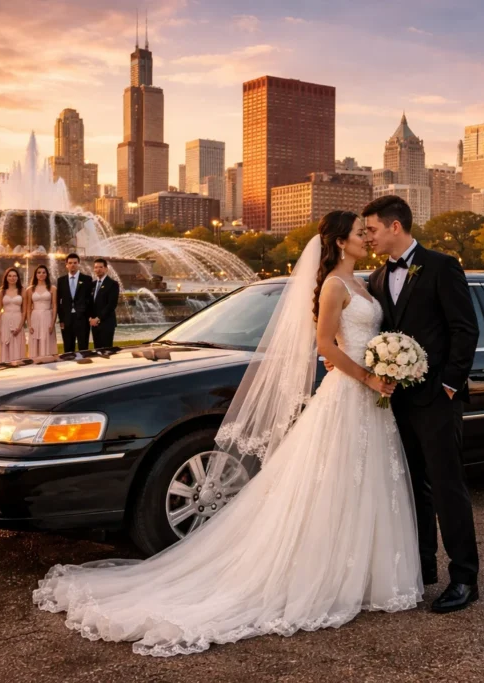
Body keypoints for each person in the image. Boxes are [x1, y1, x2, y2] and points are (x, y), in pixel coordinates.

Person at [34, 211, 422, 656]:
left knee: (367, 484)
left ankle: (368, 576)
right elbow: (324, 345)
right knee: (331, 484)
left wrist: (387, 365)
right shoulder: (335, 286)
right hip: (348, 395)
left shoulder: (365, 285)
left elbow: (364, 337)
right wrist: (369, 376)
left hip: (371, 402)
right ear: (338, 242)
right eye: (359, 233)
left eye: (367, 232)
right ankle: (324, 574)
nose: (366, 238)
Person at [362, 194, 480, 613]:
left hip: (437, 400)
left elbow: (465, 330)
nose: (368, 237)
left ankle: (465, 578)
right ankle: (423, 567)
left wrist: (449, 385)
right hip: (395, 403)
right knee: (412, 489)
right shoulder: (375, 279)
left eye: (372, 229)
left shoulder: (443, 266)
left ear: (396, 227)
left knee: (448, 488)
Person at [56, 253, 92, 352]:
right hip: (67, 319)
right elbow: (58, 301)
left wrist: (88, 316)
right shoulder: (61, 281)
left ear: (79, 264)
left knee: (83, 348)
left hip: (82, 319)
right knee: (68, 348)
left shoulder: (87, 279)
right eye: (70, 263)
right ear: (66, 264)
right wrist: (61, 319)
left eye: (75, 263)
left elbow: (90, 300)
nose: (73, 265)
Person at [26, 265, 57, 356]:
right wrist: (29, 324)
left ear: (47, 274)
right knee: (35, 339)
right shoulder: (30, 289)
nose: (41, 274)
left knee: (46, 338)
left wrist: (52, 322)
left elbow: (54, 306)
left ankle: (47, 360)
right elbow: (28, 308)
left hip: (47, 315)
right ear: (35, 274)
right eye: (39, 272)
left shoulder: (52, 288)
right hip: (35, 316)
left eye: (44, 272)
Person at [89, 258, 119, 349]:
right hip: (94, 324)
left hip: (107, 323)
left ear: (106, 269)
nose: (98, 269)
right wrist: (91, 318)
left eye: (101, 267)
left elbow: (111, 305)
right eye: (96, 267)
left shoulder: (113, 284)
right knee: (97, 351)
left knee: (106, 351)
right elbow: (89, 303)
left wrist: (98, 318)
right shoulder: (92, 284)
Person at [0, 267, 26, 361]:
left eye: (14, 276)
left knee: (17, 343)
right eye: (10, 276)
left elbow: (24, 311)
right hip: (5, 320)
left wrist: (20, 326)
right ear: (6, 278)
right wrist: (0, 327)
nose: (12, 278)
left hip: (18, 318)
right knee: (6, 343)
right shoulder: (1, 291)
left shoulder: (22, 290)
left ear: (18, 278)